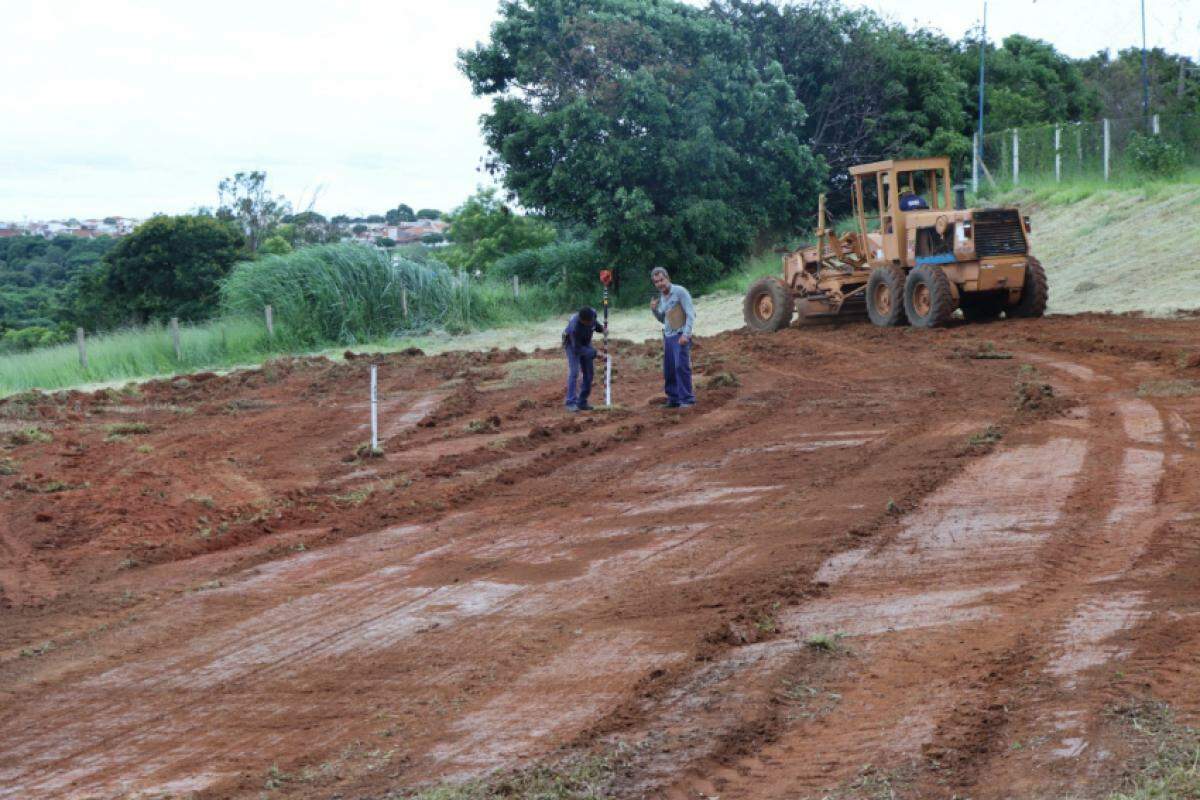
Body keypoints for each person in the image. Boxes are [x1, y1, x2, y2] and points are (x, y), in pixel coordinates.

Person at [649, 267, 696, 408]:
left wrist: (686, 334)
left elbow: (690, 314)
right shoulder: (662, 297)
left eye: (662, 280)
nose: (660, 284)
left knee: (681, 367)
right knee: (669, 369)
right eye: (656, 282)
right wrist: (653, 310)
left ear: (667, 278)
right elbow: (664, 320)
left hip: (680, 335)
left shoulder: (680, 292)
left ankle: (687, 399)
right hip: (668, 336)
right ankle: (674, 399)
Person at [562, 306, 605, 412]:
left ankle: (582, 402)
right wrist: (595, 353)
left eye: (591, 321)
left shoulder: (592, 315)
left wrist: (602, 329)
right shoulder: (574, 328)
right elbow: (577, 349)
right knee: (574, 372)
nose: (590, 324)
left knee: (589, 373)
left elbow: (595, 325)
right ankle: (570, 402)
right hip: (572, 345)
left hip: (586, 342)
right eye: (588, 323)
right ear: (582, 320)